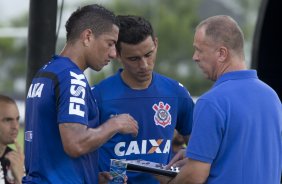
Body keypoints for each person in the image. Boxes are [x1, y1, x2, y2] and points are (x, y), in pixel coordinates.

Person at [156, 15, 282, 184]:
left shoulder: (212, 102)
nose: (195, 57)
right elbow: (250, 154)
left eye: (200, 50)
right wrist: (198, 154)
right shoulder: (272, 96)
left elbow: (194, 177)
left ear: (222, 53)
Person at [23, 4, 139, 184]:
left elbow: (50, 148)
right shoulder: (71, 77)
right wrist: (115, 124)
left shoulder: (46, 72)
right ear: (88, 36)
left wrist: (92, 178)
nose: (113, 53)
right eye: (110, 43)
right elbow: (75, 144)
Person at [92, 15, 194, 184]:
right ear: (117, 54)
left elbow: (200, 149)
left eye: (148, 54)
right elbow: (78, 150)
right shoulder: (99, 95)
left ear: (156, 43)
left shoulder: (176, 92)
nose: (144, 65)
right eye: (134, 59)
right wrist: (97, 178)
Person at [0, 95, 24, 184]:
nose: (15, 126)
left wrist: (20, 179)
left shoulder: (16, 160)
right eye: (8, 120)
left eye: (17, 119)